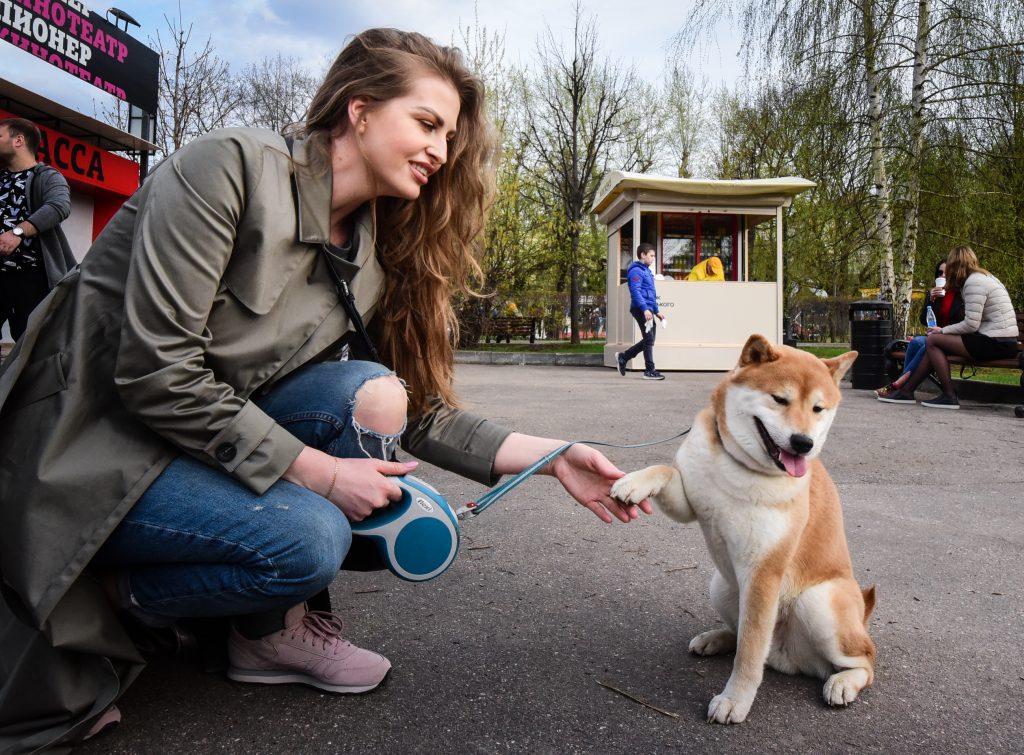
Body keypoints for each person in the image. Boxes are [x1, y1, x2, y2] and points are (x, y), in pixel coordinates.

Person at [0, 29, 652, 750]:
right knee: (311, 536)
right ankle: (107, 597)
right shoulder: (229, 168)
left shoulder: (371, 256)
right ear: (359, 110)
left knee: (375, 391)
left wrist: (553, 455)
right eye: (427, 123)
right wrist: (318, 472)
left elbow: (424, 412)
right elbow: (157, 371)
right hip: (95, 443)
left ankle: (254, 633)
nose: (440, 150)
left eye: (449, 135)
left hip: (196, 445)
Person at [878, 246, 1018, 409]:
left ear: (955, 265)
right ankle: (907, 391)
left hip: (996, 342)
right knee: (934, 343)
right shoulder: (984, 277)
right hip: (998, 340)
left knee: (934, 340)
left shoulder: (974, 283)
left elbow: (971, 324)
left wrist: (942, 331)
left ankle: (948, 395)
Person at [0, 118, 76, 342]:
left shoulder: (48, 177)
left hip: (31, 277)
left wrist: (17, 233)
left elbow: (58, 206)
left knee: (31, 345)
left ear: (19, 140)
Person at [876, 260, 964, 399]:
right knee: (917, 342)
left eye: (946, 273)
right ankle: (904, 388)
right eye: (940, 273)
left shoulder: (961, 294)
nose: (942, 276)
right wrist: (931, 301)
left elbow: (962, 322)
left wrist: (942, 330)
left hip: (951, 338)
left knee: (924, 344)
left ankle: (900, 385)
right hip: (934, 337)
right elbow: (924, 320)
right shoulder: (934, 294)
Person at [616, 242, 665, 380]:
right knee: (649, 339)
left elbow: (651, 294)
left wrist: (656, 311)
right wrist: (644, 309)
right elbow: (635, 292)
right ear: (643, 255)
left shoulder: (647, 272)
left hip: (648, 309)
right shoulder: (636, 270)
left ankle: (624, 357)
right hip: (640, 309)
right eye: (651, 255)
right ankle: (649, 370)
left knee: (649, 339)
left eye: (654, 256)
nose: (653, 258)